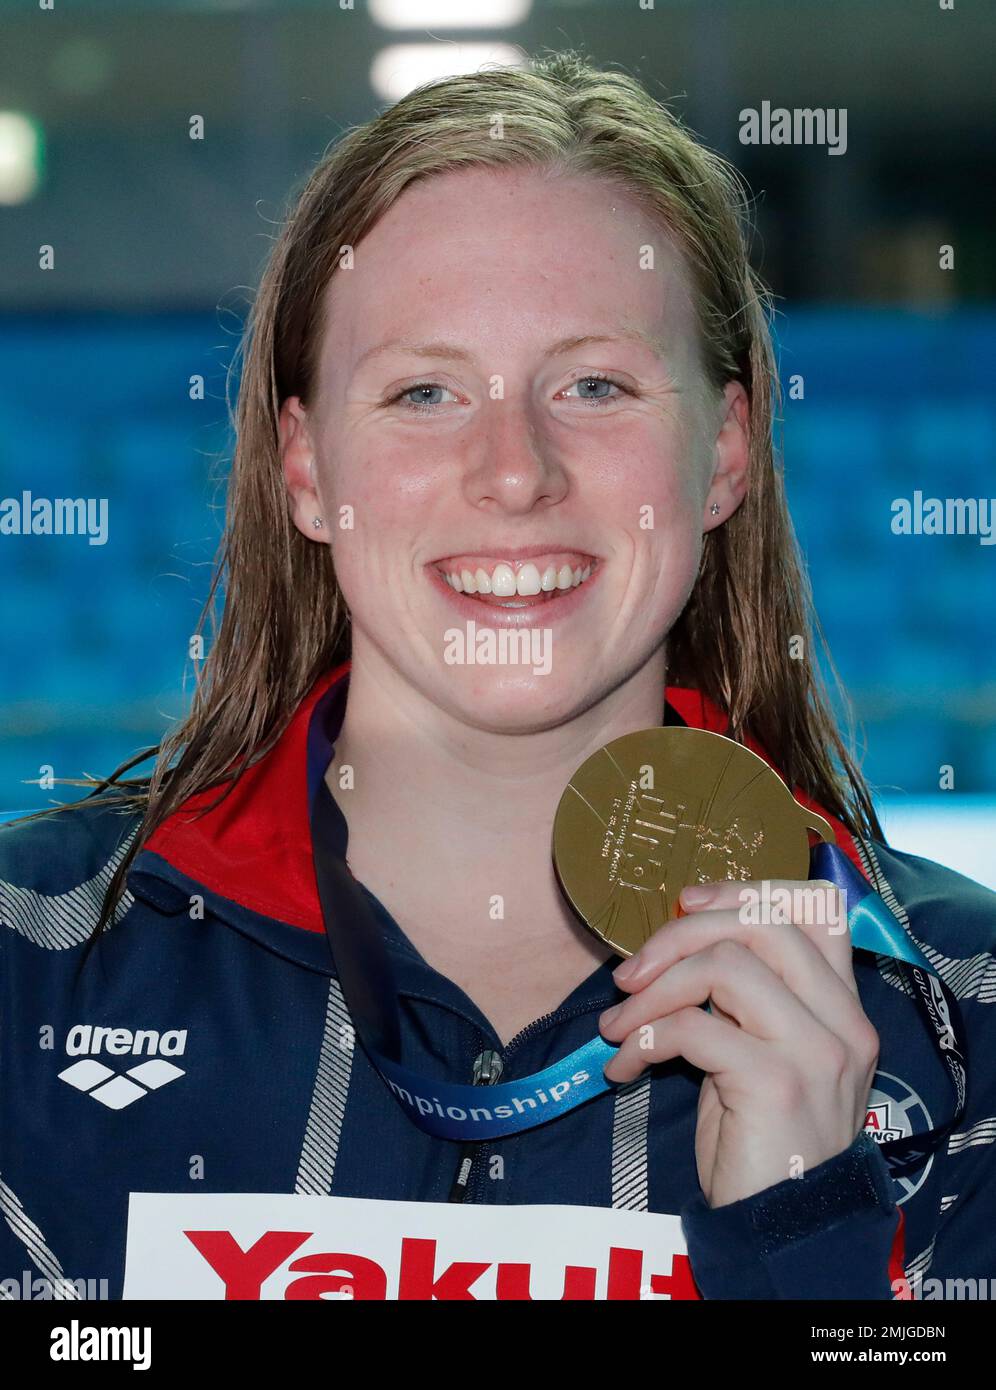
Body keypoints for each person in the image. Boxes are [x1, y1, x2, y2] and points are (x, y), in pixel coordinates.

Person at [1, 50, 993, 1303]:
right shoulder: (24, 962)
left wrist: (810, 1244)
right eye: (424, 390)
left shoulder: (970, 1019)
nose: (514, 471)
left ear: (726, 451)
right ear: (306, 469)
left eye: (594, 384)